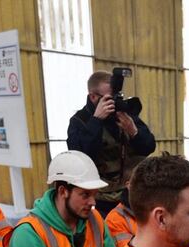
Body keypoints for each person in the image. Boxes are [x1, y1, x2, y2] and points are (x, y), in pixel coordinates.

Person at [6, 151, 116, 247]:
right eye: (85, 195)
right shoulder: (28, 234)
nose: (93, 202)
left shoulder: (95, 220)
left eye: (94, 195)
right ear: (63, 191)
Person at [67, 70, 156, 216]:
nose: (114, 102)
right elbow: (81, 157)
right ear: (93, 96)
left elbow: (149, 147)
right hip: (101, 198)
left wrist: (133, 131)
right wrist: (96, 121)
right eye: (109, 98)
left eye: (117, 97)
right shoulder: (80, 121)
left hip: (132, 194)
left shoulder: (124, 115)